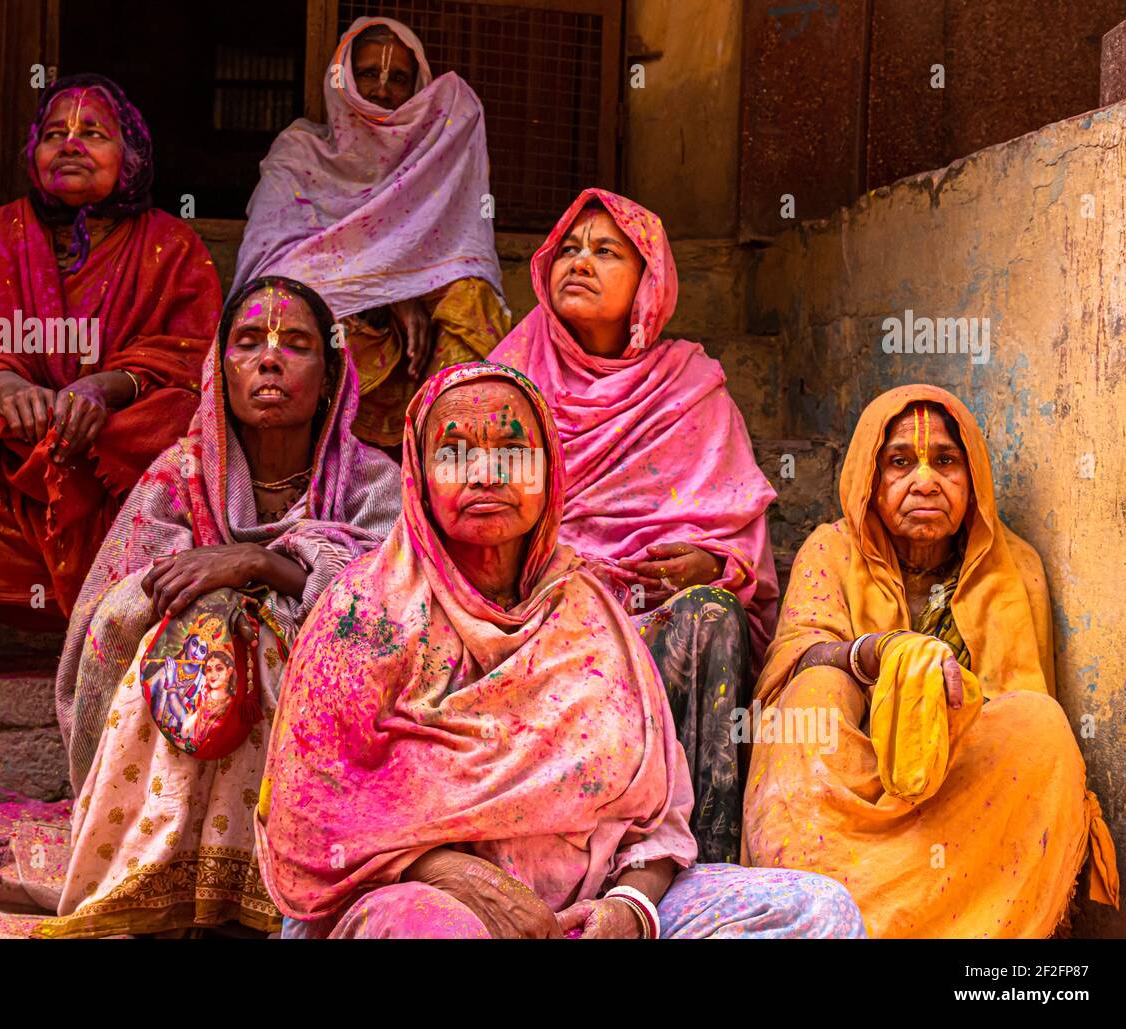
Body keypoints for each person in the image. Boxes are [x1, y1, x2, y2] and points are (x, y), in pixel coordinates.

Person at [254, 362, 865, 939]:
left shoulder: (590, 613)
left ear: (549, 471)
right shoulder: (363, 615)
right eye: (454, 451)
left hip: (590, 905)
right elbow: (308, 821)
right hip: (424, 903)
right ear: (417, 471)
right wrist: (459, 878)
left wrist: (630, 910)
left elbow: (660, 822)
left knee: (816, 911)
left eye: (514, 452)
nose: (485, 473)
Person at [37, 276, 400, 937]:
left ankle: (273, 886)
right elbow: (106, 615)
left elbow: (395, 612)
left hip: (330, 731)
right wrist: (210, 596)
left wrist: (257, 566)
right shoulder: (178, 476)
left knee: (260, 634)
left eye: (296, 344)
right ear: (220, 372)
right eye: (247, 343)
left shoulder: (373, 483)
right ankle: (167, 879)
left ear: (329, 377)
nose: (269, 359)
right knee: (200, 630)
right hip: (189, 718)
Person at [742, 384, 1120, 937]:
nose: (925, 481)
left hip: (959, 792)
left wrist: (937, 707)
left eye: (946, 461)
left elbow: (1014, 719)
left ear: (973, 479)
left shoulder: (1016, 570)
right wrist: (878, 654)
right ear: (870, 480)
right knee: (814, 694)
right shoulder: (831, 549)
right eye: (900, 462)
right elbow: (793, 659)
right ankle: (821, 916)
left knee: (1042, 726)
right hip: (850, 786)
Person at [0, 74, 221, 682]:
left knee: (180, 420)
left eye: (93, 132)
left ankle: (129, 605)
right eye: (53, 134)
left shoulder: (175, 245)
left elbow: (195, 356)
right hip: (13, 435)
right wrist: (5, 387)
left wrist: (105, 388)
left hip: (108, 443)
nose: (69, 143)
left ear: (133, 157)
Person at [490, 189, 778, 861]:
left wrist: (710, 565)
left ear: (649, 281)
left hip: (651, 625)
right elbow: (462, 515)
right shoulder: (507, 376)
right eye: (567, 248)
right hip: (537, 619)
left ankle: (703, 860)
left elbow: (737, 536)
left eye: (605, 251)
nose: (579, 262)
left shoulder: (688, 385)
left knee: (710, 616)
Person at [231, 17, 508, 451]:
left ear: (418, 89)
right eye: (367, 73)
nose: (381, 89)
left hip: (418, 351)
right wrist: (385, 296)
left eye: (398, 78)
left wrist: (408, 290)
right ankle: (315, 464)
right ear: (341, 78)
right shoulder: (301, 152)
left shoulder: (432, 160)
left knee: (471, 298)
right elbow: (272, 274)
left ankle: (448, 452)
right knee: (286, 312)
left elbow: (462, 255)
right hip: (340, 328)